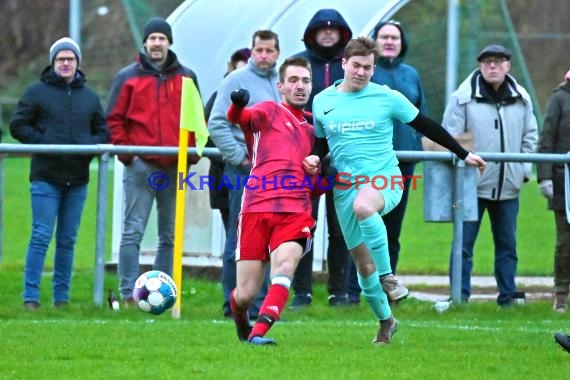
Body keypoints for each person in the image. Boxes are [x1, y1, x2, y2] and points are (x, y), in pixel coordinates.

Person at [307, 37, 486, 344]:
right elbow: (322, 142)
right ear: (344, 64)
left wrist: (462, 153)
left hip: (385, 178)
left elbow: (426, 125)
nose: (362, 72)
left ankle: (389, 279)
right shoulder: (323, 100)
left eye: (368, 67)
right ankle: (386, 321)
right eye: (357, 66)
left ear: (373, 69)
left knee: (365, 208)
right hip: (345, 188)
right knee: (363, 264)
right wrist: (314, 156)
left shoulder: (386, 97)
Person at [106, 17, 201, 304]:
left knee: (169, 234)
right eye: (152, 39)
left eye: (162, 38)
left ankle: (162, 291)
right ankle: (128, 293)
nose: (157, 43)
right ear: (145, 43)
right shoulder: (127, 77)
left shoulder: (187, 77)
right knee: (133, 230)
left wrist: (191, 154)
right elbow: (113, 119)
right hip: (141, 166)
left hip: (174, 166)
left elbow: (196, 119)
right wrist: (127, 154)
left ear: (169, 42)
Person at [9, 37, 109, 309]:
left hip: (77, 180)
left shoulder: (89, 97)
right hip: (45, 178)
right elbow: (18, 125)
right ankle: (30, 297)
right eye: (61, 59)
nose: (65, 63)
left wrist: (86, 148)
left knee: (67, 239)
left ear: (77, 63)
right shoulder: (36, 92)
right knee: (41, 235)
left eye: (70, 59)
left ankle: (61, 298)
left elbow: (102, 131)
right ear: (53, 62)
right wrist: (43, 143)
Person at [227, 56, 315, 345]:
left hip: (295, 210)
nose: (300, 86)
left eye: (305, 80)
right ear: (281, 86)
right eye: (293, 80)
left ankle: (258, 334)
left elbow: (323, 178)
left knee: (285, 267)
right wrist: (237, 105)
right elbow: (240, 119)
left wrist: (321, 171)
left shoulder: (317, 129)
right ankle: (241, 318)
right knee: (246, 293)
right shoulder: (269, 111)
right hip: (256, 207)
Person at [442, 44, 538, 307]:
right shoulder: (462, 97)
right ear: (480, 65)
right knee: (463, 245)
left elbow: (530, 137)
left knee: (507, 246)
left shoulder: (522, 98)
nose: (492, 66)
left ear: (508, 65)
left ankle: (508, 297)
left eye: (497, 61)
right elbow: (450, 139)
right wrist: (462, 174)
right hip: (471, 187)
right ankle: (459, 297)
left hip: (509, 186)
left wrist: (522, 171)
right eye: (486, 62)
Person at [347, 19, 430, 303]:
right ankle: (353, 291)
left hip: (402, 164)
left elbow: (422, 116)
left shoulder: (411, 74)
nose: (390, 42)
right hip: (366, 165)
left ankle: (388, 289)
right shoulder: (366, 74)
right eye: (384, 37)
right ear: (376, 42)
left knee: (391, 231)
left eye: (395, 37)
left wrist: (416, 149)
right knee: (359, 227)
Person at [208, 30, 281, 319]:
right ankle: (233, 305)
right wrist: (239, 157)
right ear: (251, 51)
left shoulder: (282, 82)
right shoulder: (235, 81)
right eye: (259, 49)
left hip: (275, 173)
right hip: (243, 172)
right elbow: (216, 123)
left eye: (269, 50)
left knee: (268, 238)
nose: (264, 55)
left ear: (277, 53)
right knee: (239, 239)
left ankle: (263, 304)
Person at [290, 8, 353, 308]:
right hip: (307, 159)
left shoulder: (349, 68)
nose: (328, 33)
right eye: (322, 28)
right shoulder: (301, 65)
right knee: (305, 225)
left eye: (334, 28)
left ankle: (338, 292)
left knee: (341, 229)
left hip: (342, 160)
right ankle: (301, 291)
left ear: (342, 33)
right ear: (312, 32)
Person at [204, 48, 251, 233]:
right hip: (224, 176)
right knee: (233, 234)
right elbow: (207, 136)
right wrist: (235, 157)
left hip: (254, 177)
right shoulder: (218, 98)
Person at [537, 69, 570, 313]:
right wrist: (545, 176)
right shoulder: (560, 98)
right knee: (565, 242)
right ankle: (561, 293)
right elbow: (547, 138)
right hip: (564, 184)